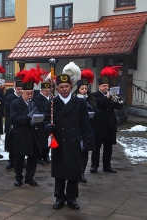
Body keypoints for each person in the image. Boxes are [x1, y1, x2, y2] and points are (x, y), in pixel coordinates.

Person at [44, 72, 92, 210]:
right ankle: (59, 197)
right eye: (61, 86)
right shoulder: (52, 103)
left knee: (73, 171)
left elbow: (85, 124)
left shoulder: (80, 103)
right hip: (59, 142)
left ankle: (71, 197)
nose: (64, 89)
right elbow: (45, 121)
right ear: (57, 88)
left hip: (74, 142)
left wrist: (87, 141)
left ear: (71, 87)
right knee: (59, 171)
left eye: (66, 86)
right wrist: (48, 126)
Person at [10, 70, 42, 187]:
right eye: (27, 93)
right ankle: (18, 177)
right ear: (22, 92)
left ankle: (29, 177)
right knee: (19, 157)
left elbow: (42, 113)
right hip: (21, 133)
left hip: (33, 133)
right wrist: (28, 118)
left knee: (33, 157)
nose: (30, 96)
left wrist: (39, 118)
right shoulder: (15, 103)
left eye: (31, 93)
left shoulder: (36, 102)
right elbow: (13, 118)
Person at [90, 66, 123, 174]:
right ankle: (94, 166)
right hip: (99, 125)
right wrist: (107, 98)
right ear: (99, 86)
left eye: (107, 85)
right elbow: (98, 104)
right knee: (96, 147)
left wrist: (117, 101)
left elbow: (119, 107)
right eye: (103, 86)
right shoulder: (94, 95)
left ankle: (107, 166)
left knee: (108, 147)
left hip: (109, 125)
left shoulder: (111, 95)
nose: (105, 87)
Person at [73, 70, 99, 183]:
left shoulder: (91, 99)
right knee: (77, 152)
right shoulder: (74, 99)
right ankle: (76, 172)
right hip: (77, 129)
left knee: (85, 152)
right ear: (78, 89)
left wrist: (90, 108)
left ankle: (82, 173)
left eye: (86, 88)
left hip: (88, 129)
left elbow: (97, 113)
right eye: (82, 88)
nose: (84, 90)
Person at [4, 77, 22, 169]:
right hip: (11, 123)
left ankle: (21, 161)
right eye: (18, 89)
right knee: (11, 143)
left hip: (21, 124)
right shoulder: (9, 97)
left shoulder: (25, 97)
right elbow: (7, 108)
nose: (20, 91)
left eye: (21, 89)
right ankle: (11, 160)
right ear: (15, 89)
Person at [33, 82, 52, 164]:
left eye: (49, 91)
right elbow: (40, 108)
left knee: (48, 139)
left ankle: (46, 155)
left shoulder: (51, 98)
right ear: (42, 90)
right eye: (46, 91)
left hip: (49, 121)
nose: (47, 93)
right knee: (41, 140)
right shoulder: (37, 98)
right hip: (40, 122)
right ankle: (39, 156)